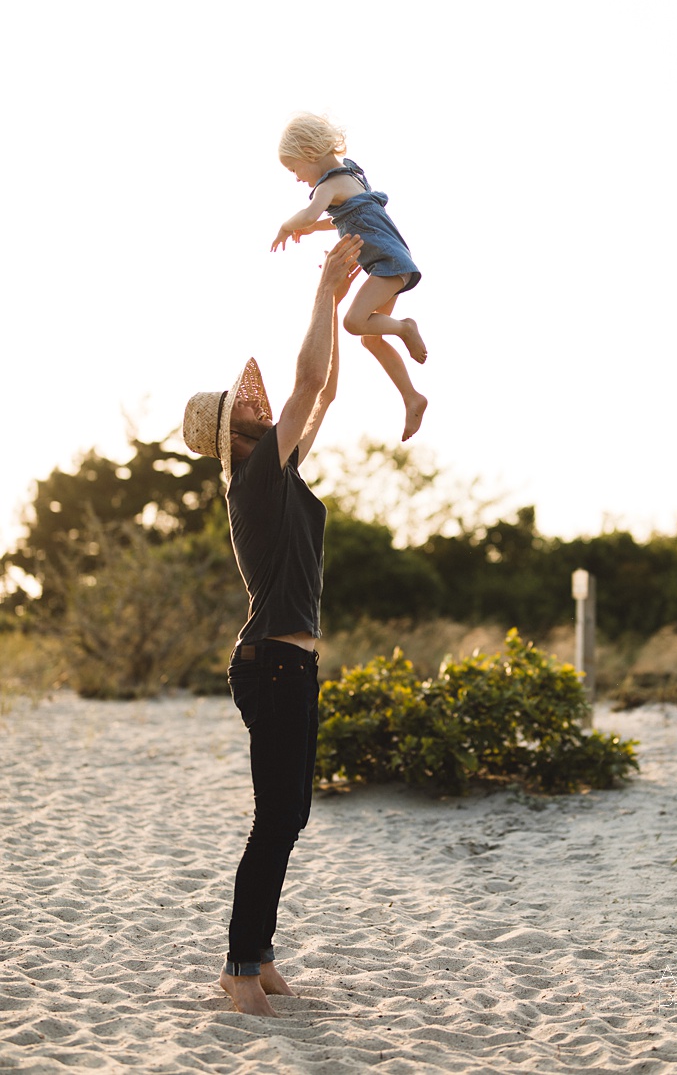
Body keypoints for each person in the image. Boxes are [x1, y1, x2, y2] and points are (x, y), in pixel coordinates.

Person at [181, 233, 363, 1017]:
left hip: (291, 663)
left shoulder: (276, 474)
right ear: (238, 434)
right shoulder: (254, 479)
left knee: (290, 816)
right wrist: (323, 291)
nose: (259, 404)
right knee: (272, 820)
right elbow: (306, 382)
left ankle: (257, 954)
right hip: (271, 664)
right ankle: (236, 967)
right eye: (245, 408)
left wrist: (340, 303)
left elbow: (321, 394)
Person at [272, 112, 428, 442]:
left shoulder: (327, 186)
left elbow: (312, 211)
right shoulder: (350, 177)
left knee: (355, 322)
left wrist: (290, 224)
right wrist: (315, 228)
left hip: (387, 263)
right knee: (371, 338)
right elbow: (349, 216)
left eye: (294, 168)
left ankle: (405, 327)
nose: (297, 178)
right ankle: (412, 397)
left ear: (309, 153)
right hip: (390, 261)